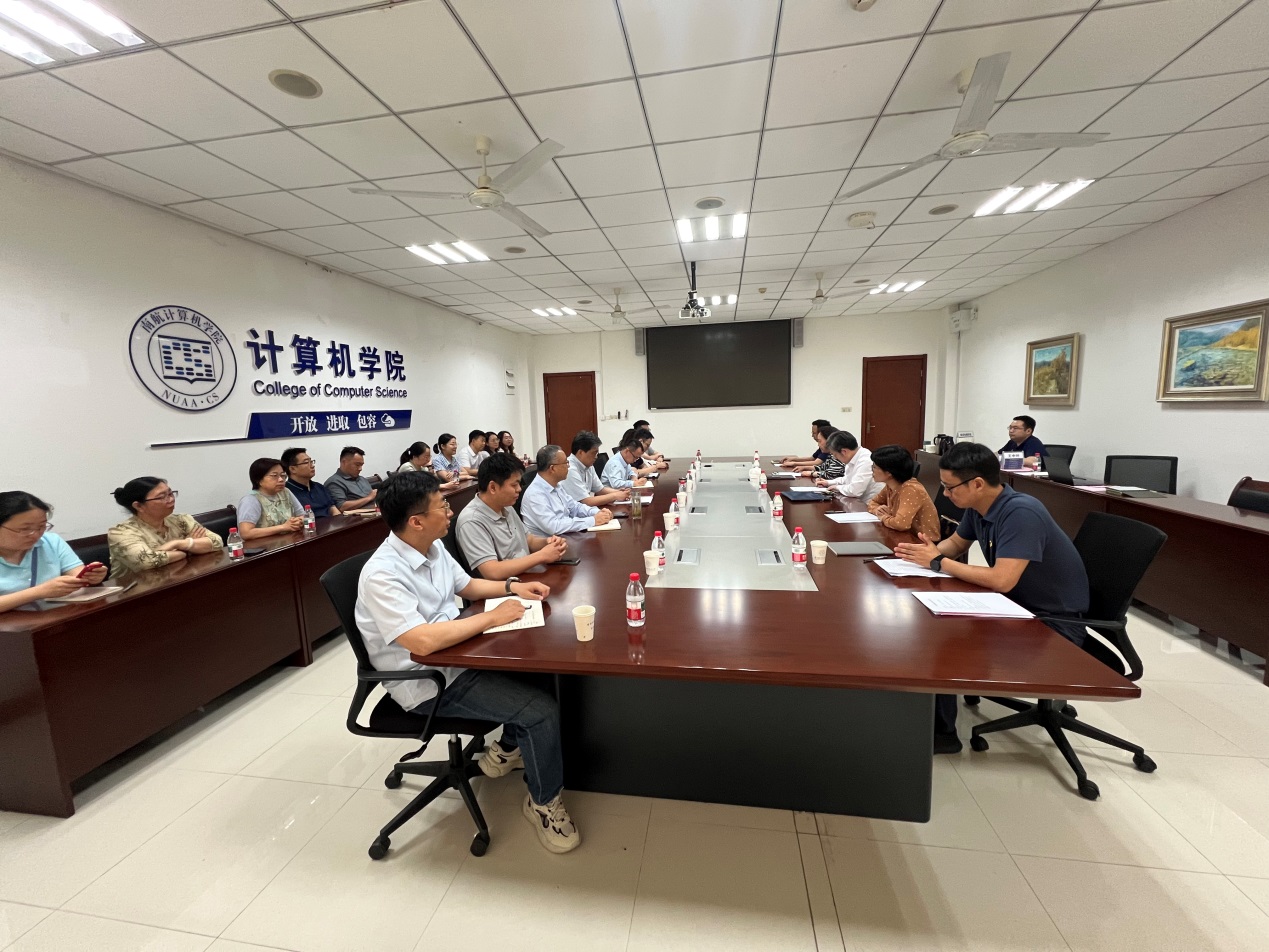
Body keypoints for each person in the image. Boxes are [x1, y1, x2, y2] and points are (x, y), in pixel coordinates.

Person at [354, 470, 579, 853]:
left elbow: (468, 585)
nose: (450, 512)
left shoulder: (431, 546)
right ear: (416, 521)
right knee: (541, 711)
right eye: (441, 506)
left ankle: (509, 747)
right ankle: (543, 803)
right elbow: (422, 641)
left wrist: (513, 587)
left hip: (460, 651)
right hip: (429, 679)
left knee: (541, 669)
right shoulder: (382, 575)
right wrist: (492, 618)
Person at [895, 442, 1089, 754]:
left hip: (1052, 622)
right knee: (928, 620)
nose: (945, 494)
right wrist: (920, 556)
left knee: (936, 637)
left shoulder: (1021, 513)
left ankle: (942, 735)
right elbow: (956, 544)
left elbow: (1002, 579)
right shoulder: (980, 507)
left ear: (977, 484)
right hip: (1016, 606)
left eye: (949, 487)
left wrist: (938, 563)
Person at [456, 454, 568, 580]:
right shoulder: (471, 520)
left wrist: (548, 542)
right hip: (506, 587)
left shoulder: (505, 506)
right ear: (493, 487)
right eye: (514, 485)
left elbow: (529, 540)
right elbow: (492, 571)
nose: (519, 489)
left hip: (527, 575)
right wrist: (542, 555)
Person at [0, 491, 108, 612]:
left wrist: (91, 577)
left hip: (53, 617)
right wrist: (39, 592)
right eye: (25, 529)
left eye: (41, 527)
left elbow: (76, 575)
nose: (35, 535)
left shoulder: (51, 541)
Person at [107, 477, 224, 576]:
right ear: (138, 506)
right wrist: (188, 549)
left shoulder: (182, 520)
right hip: (135, 591)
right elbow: (148, 561)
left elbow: (217, 541)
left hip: (178, 580)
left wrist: (178, 543)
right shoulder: (121, 532)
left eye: (170, 493)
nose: (171, 499)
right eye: (162, 497)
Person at [523, 445, 615, 536]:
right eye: (565, 463)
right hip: (550, 542)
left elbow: (575, 507)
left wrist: (596, 512)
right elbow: (554, 527)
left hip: (567, 536)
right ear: (552, 468)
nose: (568, 466)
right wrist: (593, 520)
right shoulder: (535, 494)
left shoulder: (556, 485)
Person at [866, 444, 940, 542]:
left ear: (889, 472)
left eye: (874, 467)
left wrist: (883, 517)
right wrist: (877, 510)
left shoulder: (911, 489)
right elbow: (872, 502)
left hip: (923, 542)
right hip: (903, 536)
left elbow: (900, 524)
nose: (872, 470)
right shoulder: (891, 485)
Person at [238, 458, 305, 540]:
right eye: (274, 476)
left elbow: (302, 515)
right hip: (263, 546)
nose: (281, 479)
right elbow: (246, 533)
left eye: (283, 475)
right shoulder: (250, 500)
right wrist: (283, 527)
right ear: (258, 480)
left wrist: (298, 521)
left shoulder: (285, 492)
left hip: (288, 541)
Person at [565, 431, 630, 506]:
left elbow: (600, 490)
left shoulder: (588, 465)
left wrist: (619, 492)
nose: (596, 457)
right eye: (594, 453)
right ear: (581, 453)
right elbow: (586, 501)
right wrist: (615, 495)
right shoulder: (569, 469)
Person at [816, 430, 883, 502]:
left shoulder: (866, 460)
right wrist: (828, 482)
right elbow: (847, 479)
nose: (835, 458)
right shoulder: (853, 457)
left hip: (869, 504)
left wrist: (837, 487)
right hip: (858, 501)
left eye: (835, 455)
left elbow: (854, 491)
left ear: (844, 452)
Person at [282, 447, 339, 517]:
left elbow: (332, 508)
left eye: (311, 461)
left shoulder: (319, 487)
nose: (312, 465)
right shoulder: (286, 493)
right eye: (306, 462)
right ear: (292, 469)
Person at [325, 446, 378, 511]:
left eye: (361, 465)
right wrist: (369, 498)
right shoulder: (334, 482)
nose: (360, 469)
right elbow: (341, 507)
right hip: (358, 516)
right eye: (357, 465)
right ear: (344, 462)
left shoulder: (362, 479)